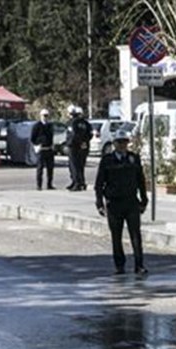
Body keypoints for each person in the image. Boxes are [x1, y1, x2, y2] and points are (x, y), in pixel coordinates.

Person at [94, 130, 148, 275]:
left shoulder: (133, 158)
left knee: (136, 235)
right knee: (116, 237)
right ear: (114, 144)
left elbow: (141, 181)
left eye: (125, 142)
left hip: (131, 202)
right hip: (114, 203)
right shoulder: (107, 160)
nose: (122, 145)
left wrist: (144, 200)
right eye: (119, 142)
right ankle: (119, 265)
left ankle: (139, 264)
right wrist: (99, 203)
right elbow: (99, 183)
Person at [66, 105, 92, 191]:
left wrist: (73, 142)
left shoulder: (73, 122)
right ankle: (81, 182)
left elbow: (73, 135)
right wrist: (84, 142)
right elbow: (90, 134)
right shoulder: (86, 123)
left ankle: (77, 183)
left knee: (74, 165)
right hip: (84, 146)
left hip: (74, 146)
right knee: (81, 165)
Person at [30, 109, 56, 190]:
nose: (45, 117)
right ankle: (39, 185)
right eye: (44, 115)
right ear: (40, 116)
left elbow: (51, 136)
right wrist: (37, 145)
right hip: (41, 149)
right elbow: (32, 138)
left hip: (49, 149)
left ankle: (49, 184)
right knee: (40, 168)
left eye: (47, 115)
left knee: (50, 168)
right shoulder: (37, 125)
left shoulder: (50, 125)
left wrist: (52, 145)